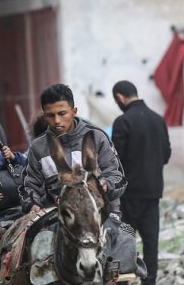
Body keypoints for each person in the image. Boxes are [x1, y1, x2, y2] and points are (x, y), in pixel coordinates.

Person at [20, 83, 126, 215]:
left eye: (62, 113)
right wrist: (32, 204)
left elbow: (118, 178)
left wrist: (106, 185)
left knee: (125, 236)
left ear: (74, 111)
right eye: (50, 115)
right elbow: (29, 186)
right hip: (56, 218)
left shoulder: (97, 137)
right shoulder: (38, 147)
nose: (57, 120)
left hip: (101, 215)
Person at [110, 80, 171, 285]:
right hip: (152, 195)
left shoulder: (123, 121)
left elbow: (115, 160)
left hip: (127, 199)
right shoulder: (158, 119)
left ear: (119, 97)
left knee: (124, 239)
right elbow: (166, 154)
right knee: (150, 241)